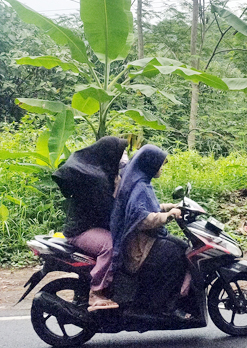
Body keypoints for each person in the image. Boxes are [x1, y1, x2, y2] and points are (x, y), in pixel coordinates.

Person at [109, 144, 189, 318]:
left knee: (183, 247)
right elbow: (142, 219)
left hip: (143, 240)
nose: (161, 168)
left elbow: (148, 208)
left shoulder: (140, 181)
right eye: (160, 164)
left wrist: (171, 207)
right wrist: (168, 216)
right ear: (150, 165)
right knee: (177, 255)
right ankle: (162, 305)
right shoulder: (140, 186)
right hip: (138, 247)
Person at [52, 136, 128, 312]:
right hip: (81, 230)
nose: (124, 158)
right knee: (110, 245)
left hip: (90, 225)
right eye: (121, 153)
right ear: (110, 154)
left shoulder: (101, 172)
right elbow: (108, 210)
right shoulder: (97, 179)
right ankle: (96, 292)